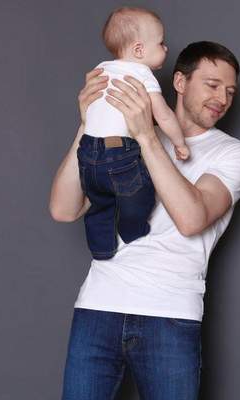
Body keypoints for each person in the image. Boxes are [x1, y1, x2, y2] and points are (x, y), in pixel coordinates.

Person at [50, 41, 240, 400]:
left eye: (230, 91)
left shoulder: (233, 153)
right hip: (99, 305)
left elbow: (191, 218)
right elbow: (63, 209)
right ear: (180, 82)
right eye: (212, 85)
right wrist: (88, 126)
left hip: (170, 316)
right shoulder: (121, 134)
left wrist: (146, 136)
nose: (222, 98)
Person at [79, 7, 189, 260]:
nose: (166, 48)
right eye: (161, 43)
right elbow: (163, 115)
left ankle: (101, 248)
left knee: (100, 202)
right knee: (140, 195)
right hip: (118, 153)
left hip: (87, 152)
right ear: (139, 50)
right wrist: (180, 143)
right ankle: (132, 231)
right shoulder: (142, 73)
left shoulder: (101, 69)